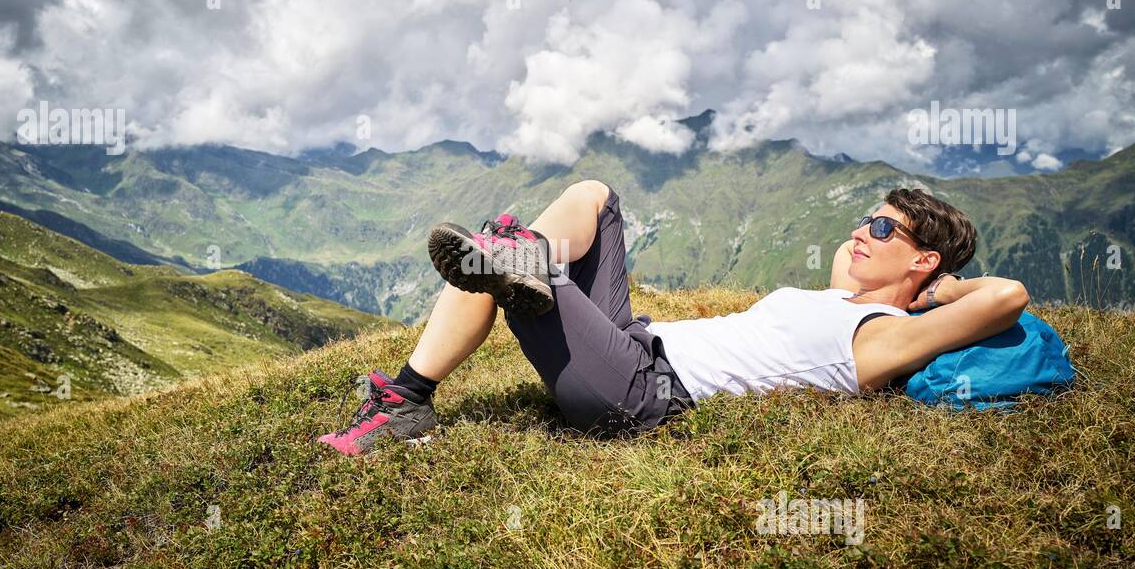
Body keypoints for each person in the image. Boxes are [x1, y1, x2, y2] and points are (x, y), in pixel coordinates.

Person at [316, 180, 1029, 456]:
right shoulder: (844, 296)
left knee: (492, 260)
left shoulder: (883, 336)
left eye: (881, 229)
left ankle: (407, 399)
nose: (859, 233)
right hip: (633, 343)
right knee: (594, 195)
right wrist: (902, 265)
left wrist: (939, 292)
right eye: (865, 219)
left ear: (923, 264)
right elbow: (861, 270)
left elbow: (1008, 297)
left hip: (638, 390)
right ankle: (521, 254)